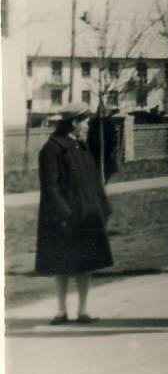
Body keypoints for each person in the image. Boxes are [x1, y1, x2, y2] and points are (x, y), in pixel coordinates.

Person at [36, 102, 113, 325]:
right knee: (61, 266)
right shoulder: (52, 149)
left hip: (87, 217)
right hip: (65, 219)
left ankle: (83, 311)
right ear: (74, 123)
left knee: (85, 265)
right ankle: (61, 312)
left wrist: (104, 206)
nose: (88, 125)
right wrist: (64, 215)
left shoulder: (82, 147)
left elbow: (94, 182)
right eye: (85, 121)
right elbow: (50, 188)